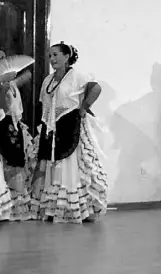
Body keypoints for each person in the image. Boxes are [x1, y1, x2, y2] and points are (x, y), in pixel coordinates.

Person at [30, 42, 108, 224]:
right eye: (50, 56)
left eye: (56, 55)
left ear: (67, 56)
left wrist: (84, 108)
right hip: (51, 128)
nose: (52, 59)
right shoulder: (48, 80)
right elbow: (44, 103)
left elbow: (96, 88)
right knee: (52, 165)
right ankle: (53, 208)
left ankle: (75, 209)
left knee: (69, 166)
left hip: (70, 126)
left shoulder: (77, 75)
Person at [0, 51, 35, 221]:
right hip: (4, 125)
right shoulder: (3, 86)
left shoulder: (10, 83)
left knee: (17, 161)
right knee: (8, 161)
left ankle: (17, 203)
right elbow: (5, 107)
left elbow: (24, 77)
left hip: (15, 125)